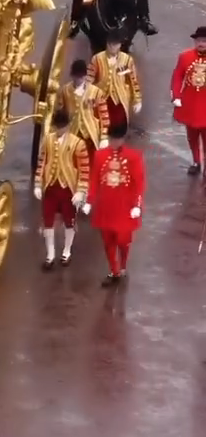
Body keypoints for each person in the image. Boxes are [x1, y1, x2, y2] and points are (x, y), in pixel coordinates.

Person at [82, 123, 145, 286]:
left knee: (123, 241)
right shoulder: (99, 155)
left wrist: (137, 205)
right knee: (108, 240)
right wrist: (90, 200)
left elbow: (139, 183)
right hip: (106, 205)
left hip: (125, 206)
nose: (114, 143)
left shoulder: (134, 157)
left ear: (122, 139)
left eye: (116, 140)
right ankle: (114, 271)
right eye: (112, 139)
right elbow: (94, 180)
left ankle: (123, 266)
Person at [33, 109, 90, 269]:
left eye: (62, 127)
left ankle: (66, 251)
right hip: (51, 186)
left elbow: (84, 169)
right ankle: (50, 254)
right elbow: (41, 163)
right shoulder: (48, 140)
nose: (59, 130)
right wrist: (38, 184)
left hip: (68, 188)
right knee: (48, 221)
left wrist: (81, 191)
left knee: (69, 221)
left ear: (68, 126)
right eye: (57, 127)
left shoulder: (78, 144)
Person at [171, 26, 206, 175]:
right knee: (192, 137)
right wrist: (176, 97)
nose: (201, 43)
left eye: (204, 41)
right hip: (190, 104)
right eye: (199, 40)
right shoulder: (185, 56)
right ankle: (196, 161)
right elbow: (177, 76)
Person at [87, 31, 142, 127]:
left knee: (118, 126)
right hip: (101, 98)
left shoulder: (127, 60)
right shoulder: (97, 59)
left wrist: (137, 100)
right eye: (110, 45)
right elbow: (89, 79)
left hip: (119, 99)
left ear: (120, 45)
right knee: (100, 125)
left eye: (115, 45)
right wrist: (86, 94)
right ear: (107, 44)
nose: (112, 48)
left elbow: (134, 81)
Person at [56, 58, 110, 158]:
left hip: (90, 134)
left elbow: (104, 115)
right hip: (72, 133)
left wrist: (104, 136)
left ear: (85, 76)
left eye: (81, 77)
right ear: (72, 76)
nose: (78, 80)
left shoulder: (97, 92)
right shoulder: (65, 91)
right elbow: (60, 113)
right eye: (76, 77)